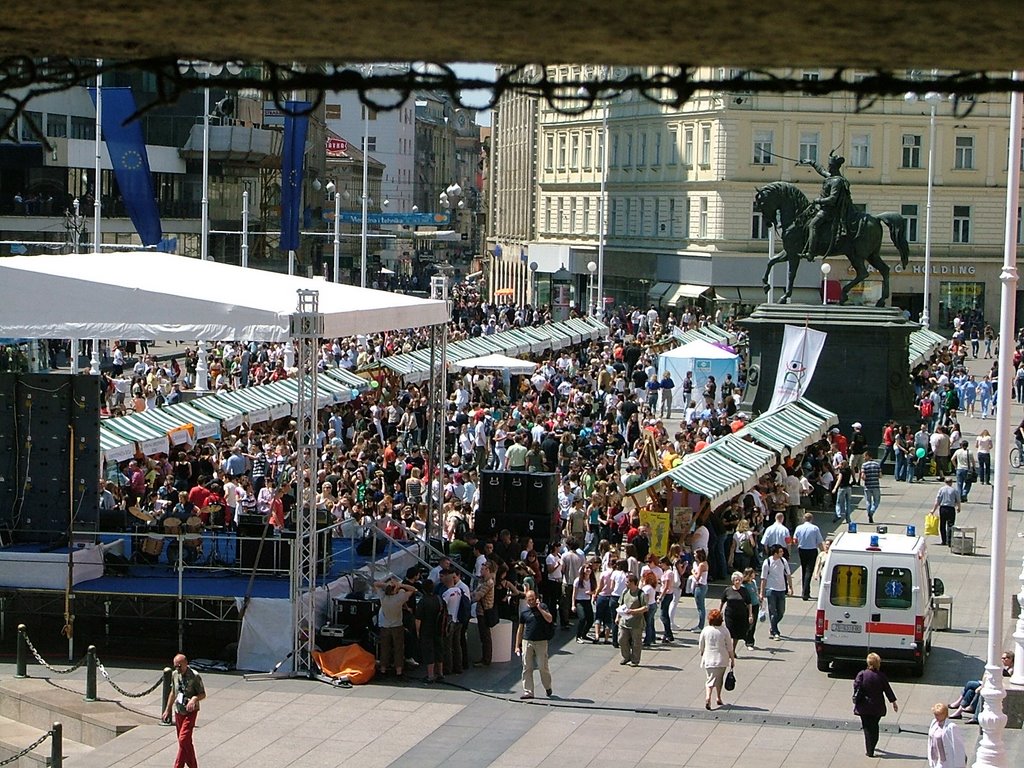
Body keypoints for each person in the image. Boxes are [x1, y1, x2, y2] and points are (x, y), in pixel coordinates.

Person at [799, 153, 853, 259]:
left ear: (833, 167)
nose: (828, 168)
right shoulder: (831, 177)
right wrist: (811, 162)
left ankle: (811, 252)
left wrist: (818, 200)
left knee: (812, 225)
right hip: (824, 209)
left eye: (829, 166)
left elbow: (832, 199)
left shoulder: (836, 181)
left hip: (829, 211)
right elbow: (821, 170)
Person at [162, 653, 206, 768]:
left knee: (183, 739)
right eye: (175, 666)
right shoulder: (175, 674)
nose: (177, 668)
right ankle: (192, 765)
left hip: (190, 712)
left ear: (186, 664)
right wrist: (168, 709)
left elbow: (202, 694)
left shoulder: (195, 676)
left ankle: (178, 765)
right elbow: (173, 692)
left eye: (179, 666)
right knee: (184, 743)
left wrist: (194, 699)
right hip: (178, 710)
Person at [853, 652, 898, 758]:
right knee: (874, 726)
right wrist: (893, 702)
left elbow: (856, 687)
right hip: (877, 707)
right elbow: (888, 690)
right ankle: (873, 744)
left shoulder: (862, 674)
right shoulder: (881, 676)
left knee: (867, 727)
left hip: (864, 706)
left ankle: (870, 750)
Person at [948, 651, 1015, 721]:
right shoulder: (1004, 668)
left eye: (1006, 658)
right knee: (970, 691)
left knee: (970, 684)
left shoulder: (1010, 671)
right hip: (986, 684)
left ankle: (960, 704)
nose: (1003, 660)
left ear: (1011, 659)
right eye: (1002, 658)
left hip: (992, 686)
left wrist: (982, 686)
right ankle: (959, 711)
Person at [515, 589, 554, 699]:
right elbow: (520, 629)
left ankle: (547, 686)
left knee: (542, 666)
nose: (531, 601)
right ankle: (528, 691)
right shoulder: (524, 612)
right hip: (527, 641)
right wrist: (517, 645)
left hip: (541, 642)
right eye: (529, 600)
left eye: (533, 599)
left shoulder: (543, 607)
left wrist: (540, 609)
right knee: (527, 667)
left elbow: (550, 619)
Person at [375, 576, 416, 678]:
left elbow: (376, 584)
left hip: (385, 626)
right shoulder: (399, 598)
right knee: (399, 649)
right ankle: (399, 671)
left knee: (384, 649)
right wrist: (400, 585)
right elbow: (413, 589)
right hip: (397, 626)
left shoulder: (383, 598)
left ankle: (383, 670)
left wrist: (387, 584)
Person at [698, 608, 735, 710]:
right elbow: (729, 647)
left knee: (709, 679)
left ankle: (708, 697)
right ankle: (718, 697)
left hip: (709, 659)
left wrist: (702, 652)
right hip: (722, 659)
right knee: (719, 679)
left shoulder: (706, 630)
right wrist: (732, 659)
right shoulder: (724, 630)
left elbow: (701, 644)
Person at [759, 544, 793, 640]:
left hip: (781, 589)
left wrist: (790, 587)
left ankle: (773, 626)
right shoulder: (767, 562)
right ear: (775, 553)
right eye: (781, 551)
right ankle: (775, 631)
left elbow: (788, 575)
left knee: (781, 611)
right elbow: (763, 578)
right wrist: (762, 592)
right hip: (771, 590)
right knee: (773, 611)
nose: (782, 553)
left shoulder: (783, 561)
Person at [616, 572, 648, 667]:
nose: (625, 584)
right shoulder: (625, 592)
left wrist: (633, 611)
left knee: (636, 642)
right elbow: (620, 605)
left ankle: (635, 660)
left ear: (633, 583)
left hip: (636, 623)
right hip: (624, 621)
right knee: (621, 639)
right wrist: (617, 617)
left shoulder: (640, 594)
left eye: (627, 582)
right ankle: (626, 656)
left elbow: (645, 608)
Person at [793, 512, 824, 600]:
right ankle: (805, 592)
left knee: (804, 569)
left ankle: (805, 590)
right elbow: (819, 541)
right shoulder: (815, 528)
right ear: (812, 519)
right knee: (809, 570)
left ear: (804, 519)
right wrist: (823, 551)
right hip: (812, 550)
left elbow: (795, 540)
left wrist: (800, 543)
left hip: (802, 550)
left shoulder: (799, 528)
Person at [719, 571, 753, 653]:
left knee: (737, 634)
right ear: (733, 581)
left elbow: (749, 603)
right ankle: (728, 648)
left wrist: (750, 615)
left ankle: (733, 650)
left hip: (741, 615)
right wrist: (719, 611)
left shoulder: (744, 591)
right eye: (736, 580)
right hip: (730, 615)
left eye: (739, 580)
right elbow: (722, 601)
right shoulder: (728, 590)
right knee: (729, 632)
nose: (737, 582)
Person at [928, 703, 967, 768]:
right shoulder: (934, 723)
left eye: (938, 715)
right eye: (935, 714)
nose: (936, 716)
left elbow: (958, 746)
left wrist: (960, 764)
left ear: (944, 714)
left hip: (947, 761)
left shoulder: (951, 727)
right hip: (936, 759)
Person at [930, 477, 961, 547]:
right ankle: (950, 541)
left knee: (942, 525)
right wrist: (959, 508)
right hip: (951, 509)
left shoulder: (941, 489)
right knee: (950, 525)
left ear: (945, 482)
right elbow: (958, 500)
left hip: (943, 508)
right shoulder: (954, 490)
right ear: (951, 482)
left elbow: (937, 500)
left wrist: (933, 510)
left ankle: (944, 540)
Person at [859, 451, 882, 522]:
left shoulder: (864, 465)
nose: (864, 458)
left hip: (867, 486)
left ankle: (869, 513)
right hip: (875, 485)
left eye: (864, 456)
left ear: (868, 456)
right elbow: (880, 475)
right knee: (877, 501)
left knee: (868, 501)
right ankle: (872, 512)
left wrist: (864, 478)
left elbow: (863, 476)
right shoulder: (877, 464)